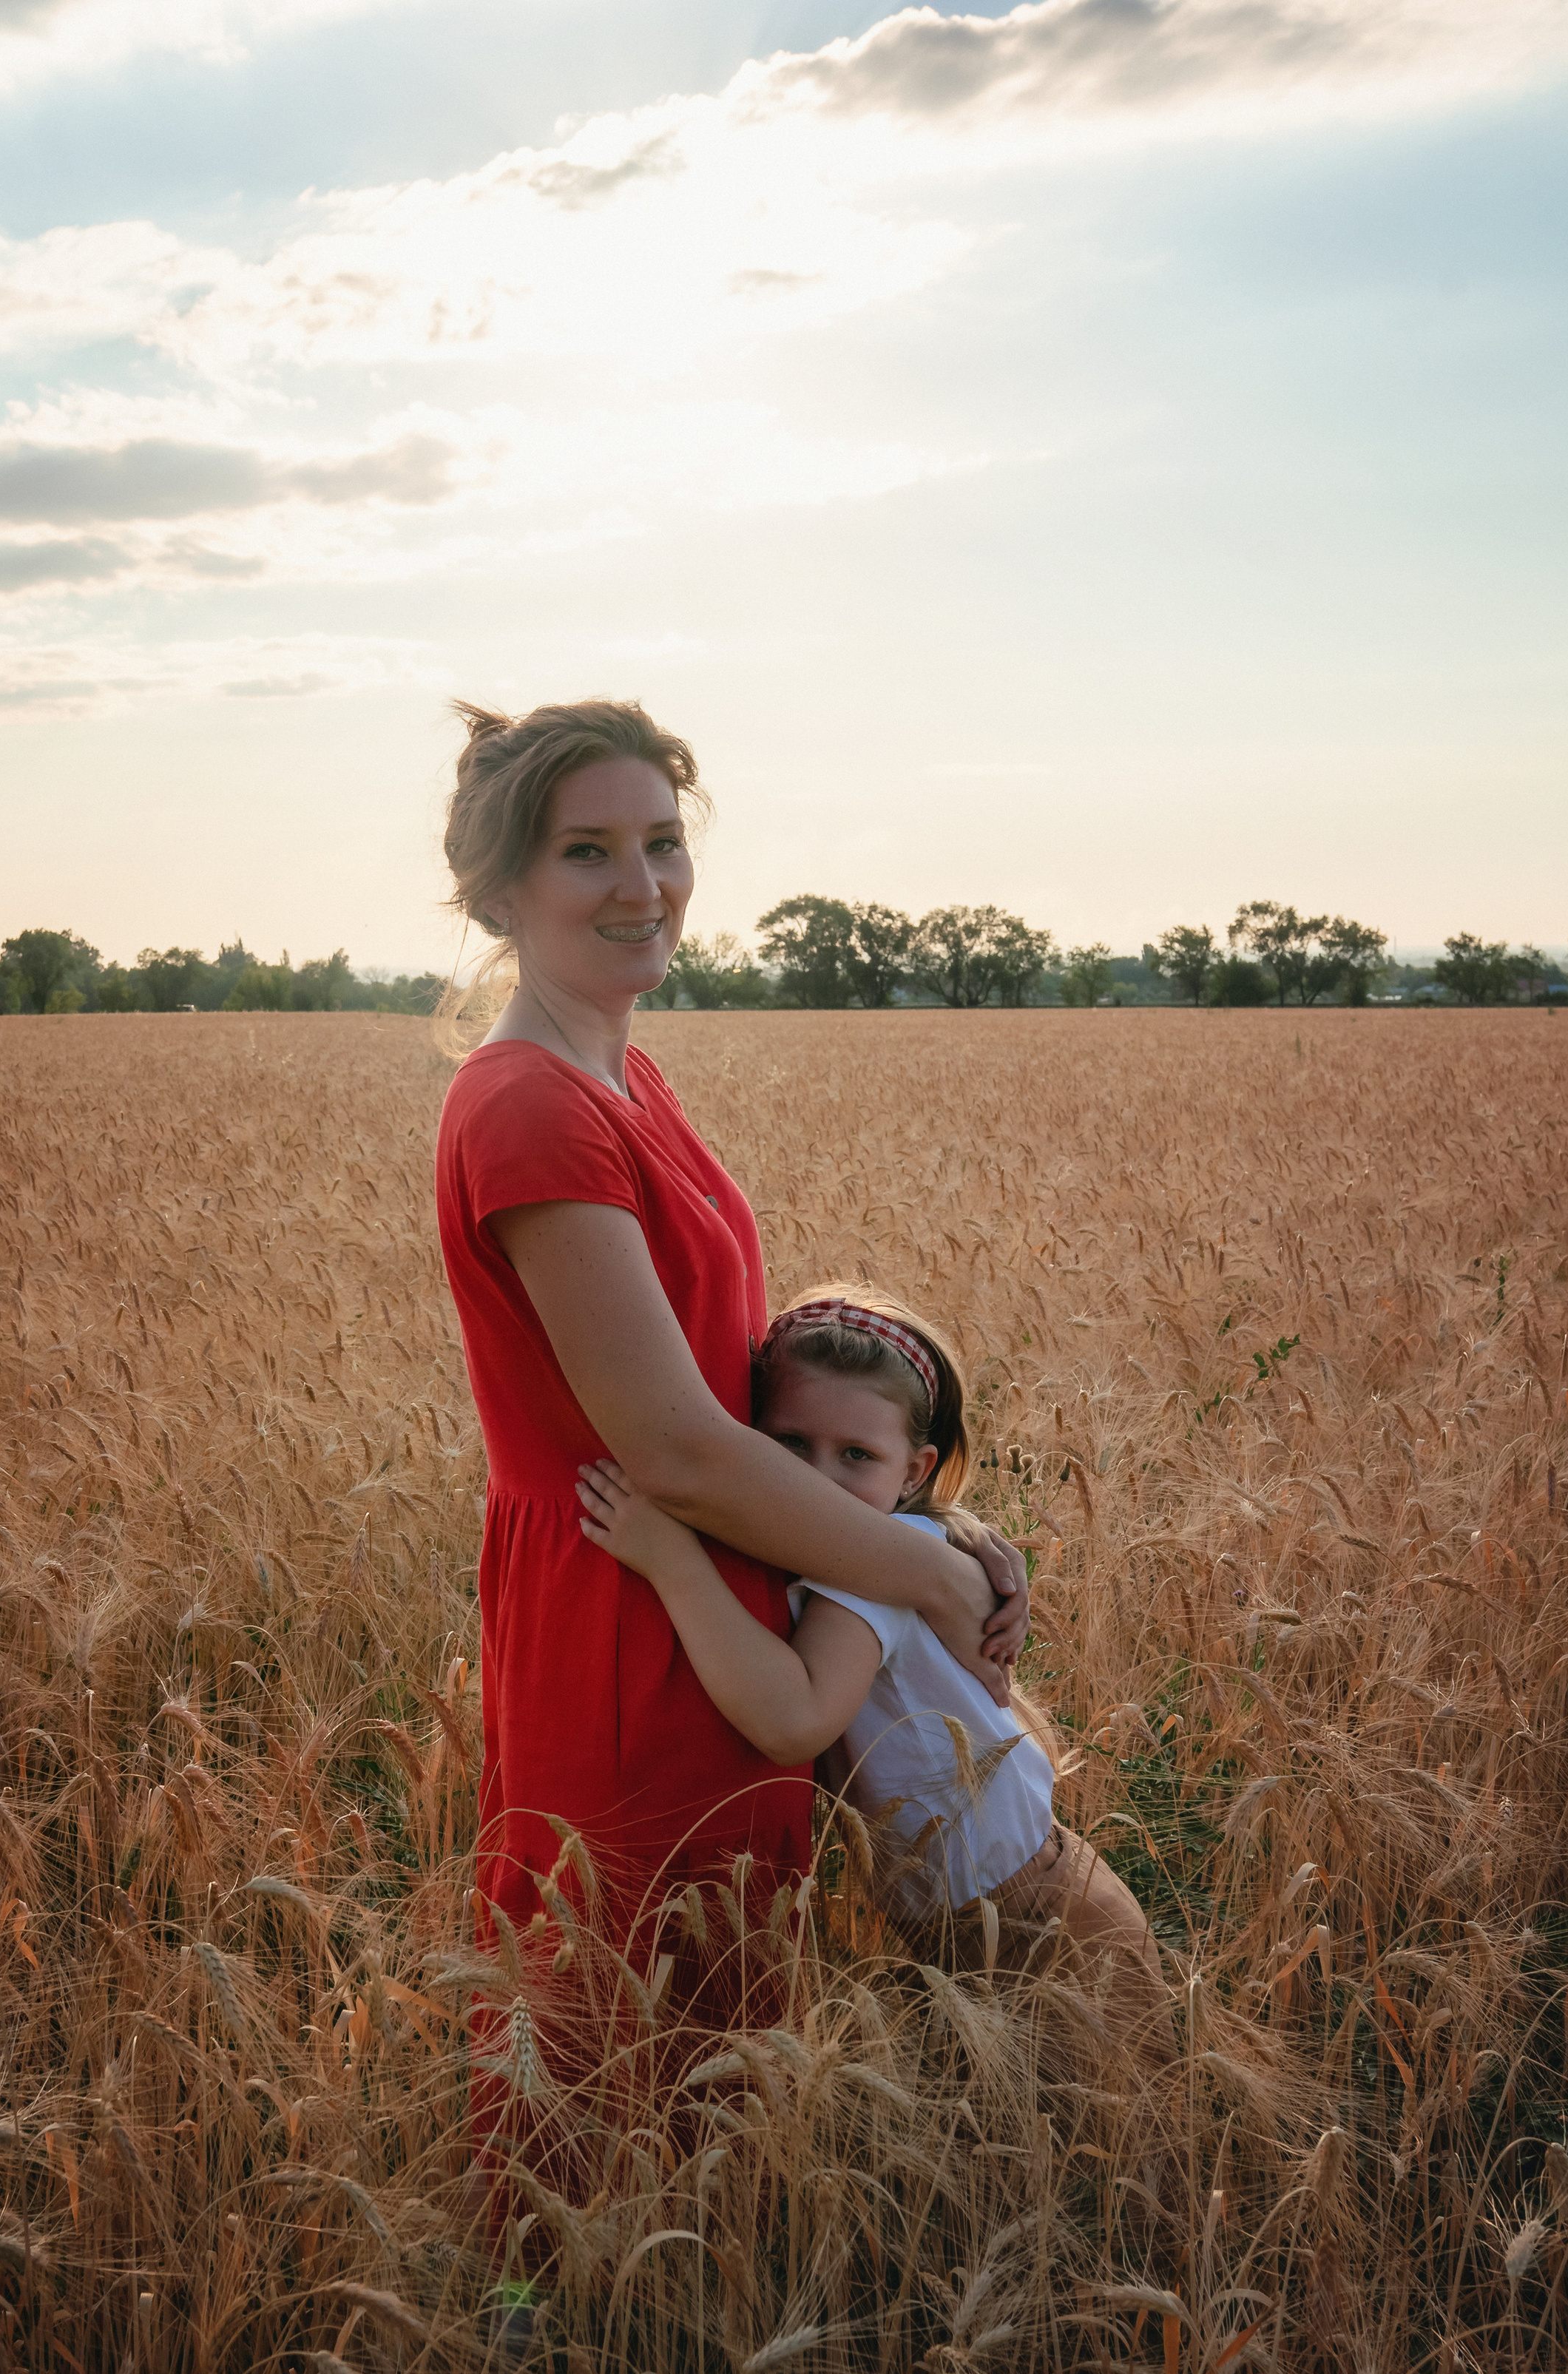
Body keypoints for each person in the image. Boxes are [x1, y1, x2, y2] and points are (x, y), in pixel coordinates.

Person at [431, 700, 1030, 2127]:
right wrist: (926, 1577)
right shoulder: (526, 1106)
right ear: (499, 890)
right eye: (588, 852)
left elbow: (739, 1385)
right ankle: (530, 2337)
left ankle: (677, 2337)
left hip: (720, 1596)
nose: (641, 887)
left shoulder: (626, 1073)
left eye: (660, 841)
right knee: (593, 2040)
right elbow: (679, 1446)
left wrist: (926, 1524)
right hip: (630, 1601)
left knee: (712, 2034)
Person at [575, 1284, 1169, 2055]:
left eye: (856, 1455)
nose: (821, 1480)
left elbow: (793, 1719)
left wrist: (671, 1562)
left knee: (1124, 2149)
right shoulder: (890, 1545)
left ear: (915, 1469)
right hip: (986, 1911)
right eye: (790, 1447)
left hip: (1041, 1924)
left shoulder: (868, 1575)